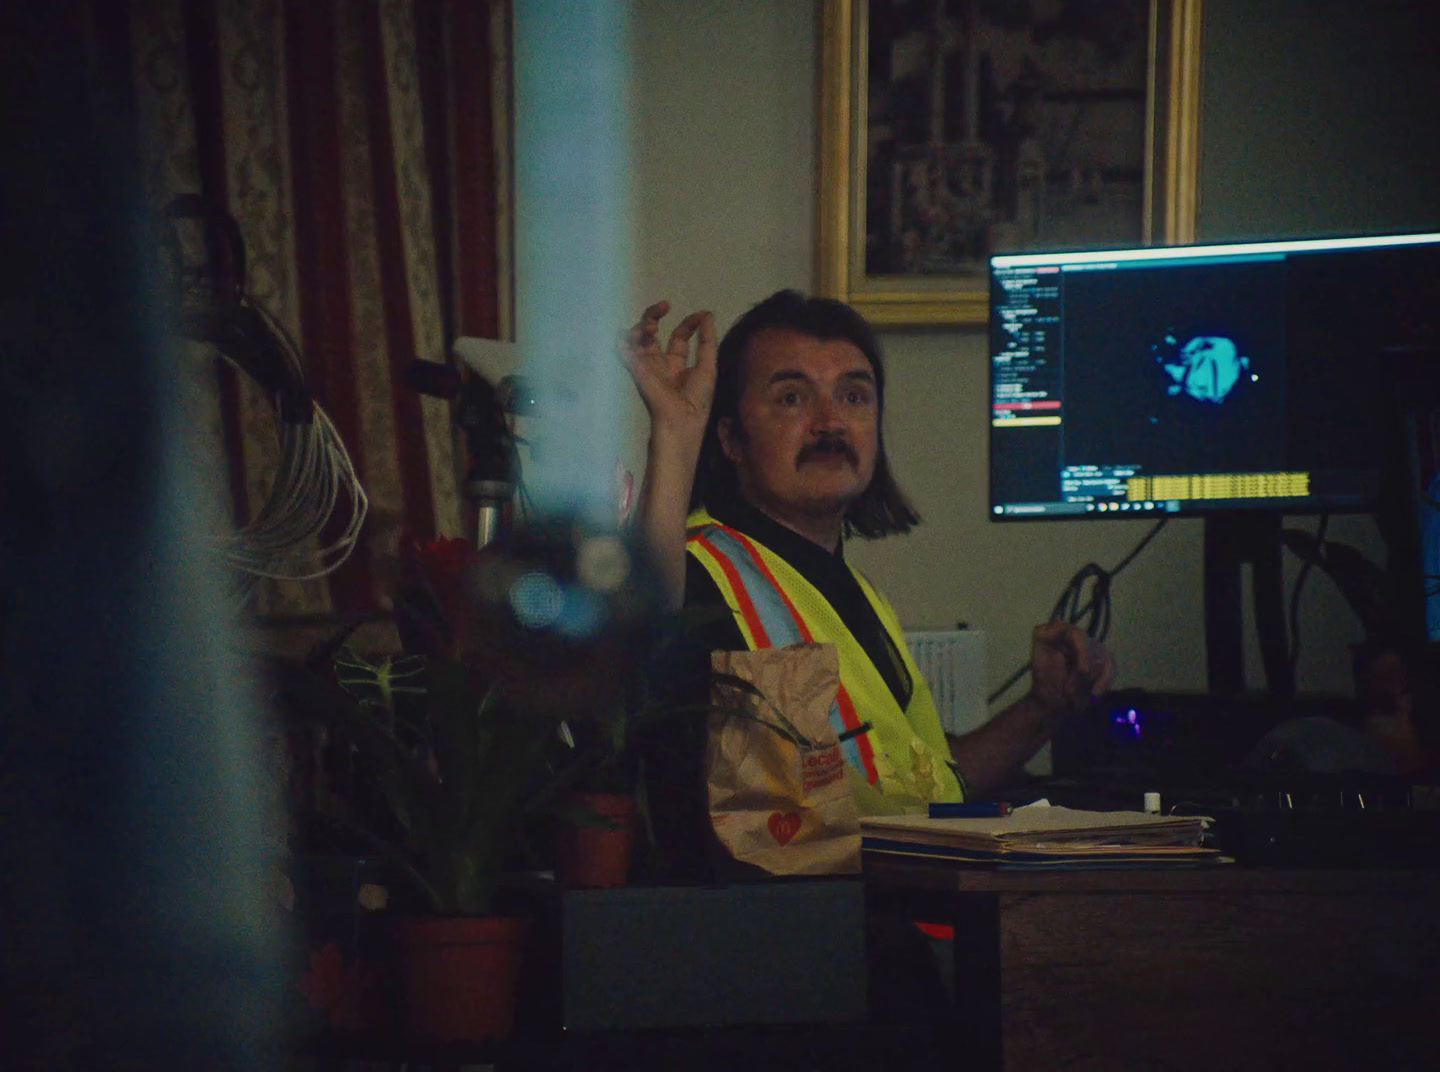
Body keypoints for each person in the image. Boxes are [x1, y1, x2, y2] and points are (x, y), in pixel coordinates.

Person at [622, 289, 1113, 872]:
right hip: (785, 939)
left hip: (899, 918)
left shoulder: (856, 593)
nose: (830, 422)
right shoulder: (699, 564)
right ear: (728, 439)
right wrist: (676, 434)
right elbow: (633, 643)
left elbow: (925, 799)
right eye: (791, 398)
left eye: (854, 396)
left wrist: (1044, 707)